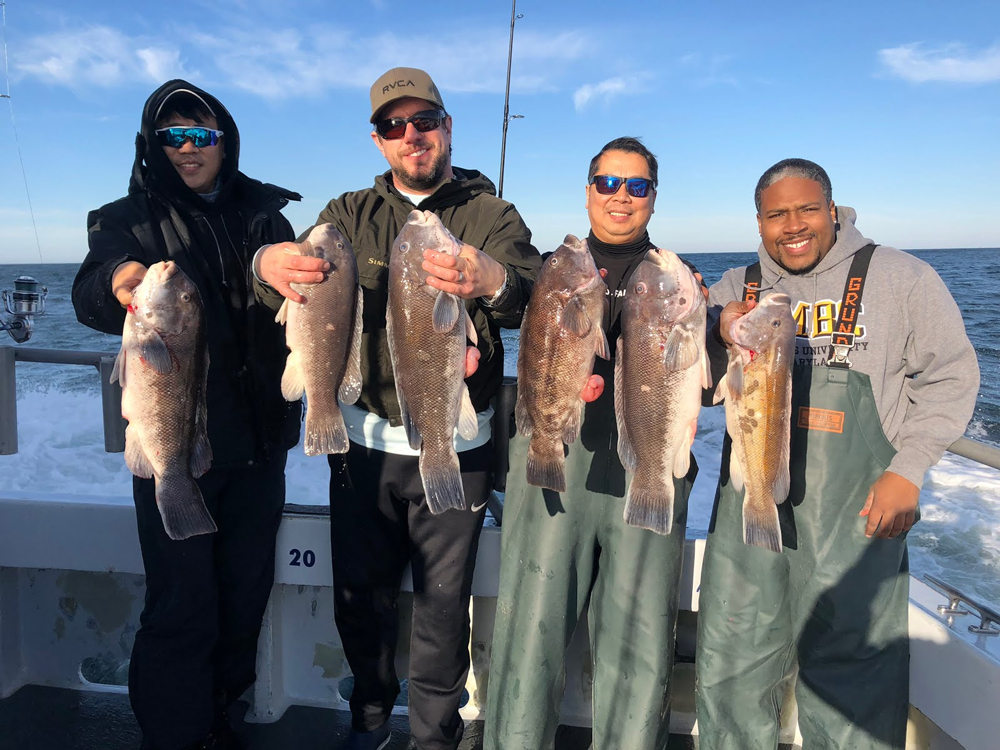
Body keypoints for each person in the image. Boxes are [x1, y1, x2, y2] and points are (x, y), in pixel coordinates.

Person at [257, 67, 541, 750]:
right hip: (362, 441)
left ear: (447, 128)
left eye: (424, 122)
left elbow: (530, 291)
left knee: (444, 607)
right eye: (394, 126)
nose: (411, 136)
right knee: (363, 595)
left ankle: (434, 735)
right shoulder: (347, 214)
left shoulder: (490, 214)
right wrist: (267, 262)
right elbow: (288, 295)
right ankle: (370, 718)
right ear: (379, 140)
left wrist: (492, 277)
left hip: (457, 443)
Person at [695, 158, 980, 750]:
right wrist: (711, 327)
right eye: (777, 215)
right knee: (732, 663)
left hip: (854, 514)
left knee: (851, 676)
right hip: (750, 511)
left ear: (832, 209)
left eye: (806, 209)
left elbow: (952, 377)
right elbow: (687, 371)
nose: (792, 225)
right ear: (758, 223)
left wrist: (909, 469)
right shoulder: (736, 286)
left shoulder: (902, 279)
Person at [72, 80, 302, 750]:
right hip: (175, 447)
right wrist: (120, 280)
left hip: (259, 446)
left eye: (200, 135)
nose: (187, 148)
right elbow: (92, 287)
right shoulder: (127, 217)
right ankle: (174, 738)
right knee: (182, 607)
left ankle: (217, 723)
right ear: (153, 145)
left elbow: (292, 299)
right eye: (171, 137)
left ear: (224, 141)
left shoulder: (264, 215)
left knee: (242, 601)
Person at [484, 137, 702, 750]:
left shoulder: (674, 278)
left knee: (640, 637)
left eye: (636, 186)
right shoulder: (552, 269)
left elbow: (704, 376)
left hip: (649, 458)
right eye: (608, 183)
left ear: (653, 199)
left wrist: (711, 323)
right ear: (587, 191)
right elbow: (499, 298)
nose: (620, 197)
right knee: (531, 628)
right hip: (557, 453)